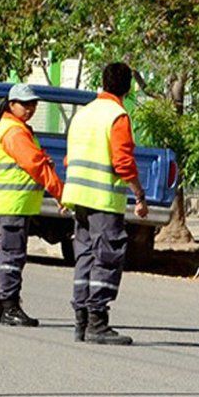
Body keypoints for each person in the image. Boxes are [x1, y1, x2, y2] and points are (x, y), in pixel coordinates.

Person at [61, 62, 148, 345]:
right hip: (103, 199)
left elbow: (69, 157)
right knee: (107, 256)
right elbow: (123, 161)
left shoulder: (83, 114)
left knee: (85, 255)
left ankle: (81, 320)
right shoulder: (117, 116)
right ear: (128, 87)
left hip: (79, 197)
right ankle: (97, 321)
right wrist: (139, 193)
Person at [0, 83, 65, 327]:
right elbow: (35, 165)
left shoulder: (12, 128)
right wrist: (61, 193)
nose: (30, 108)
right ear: (12, 105)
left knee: (4, 255)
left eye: (33, 104)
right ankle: (9, 306)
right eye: (25, 104)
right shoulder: (15, 132)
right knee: (13, 256)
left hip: (9, 202)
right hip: (15, 203)